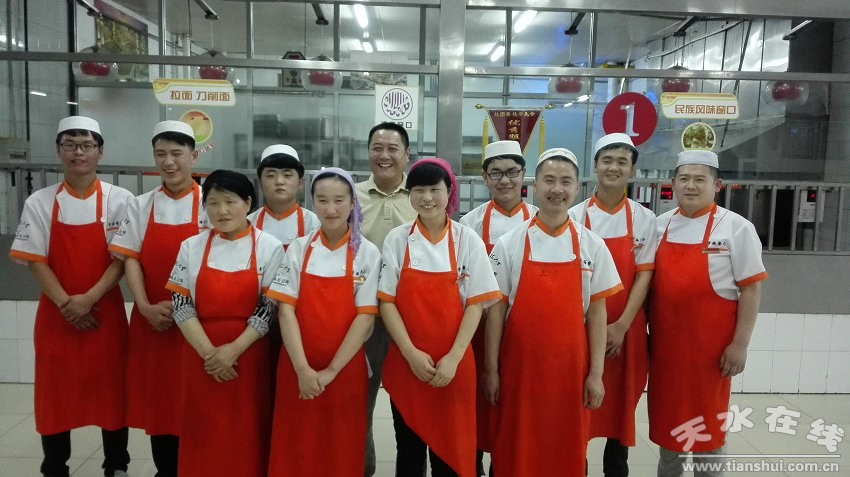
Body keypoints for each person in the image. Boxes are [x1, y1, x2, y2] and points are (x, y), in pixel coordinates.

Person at [9, 116, 133, 477]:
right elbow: (35, 260)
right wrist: (67, 304)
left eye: (87, 145)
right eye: (70, 145)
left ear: (100, 152)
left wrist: (88, 299)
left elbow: (122, 259)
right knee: (55, 395)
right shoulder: (40, 201)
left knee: (112, 391)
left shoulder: (120, 200)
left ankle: (117, 465)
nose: (79, 152)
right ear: (59, 150)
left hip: (105, 314)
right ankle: (54, 466)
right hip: (56, 316)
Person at [485, 148, 622, 476]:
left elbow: (597, 315)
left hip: (571, 372)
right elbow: (495, 314)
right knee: (516, 445)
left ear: (577, 188)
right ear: (534, 185)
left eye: (565, 181)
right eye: (549, 180)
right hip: (519, 371)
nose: (556, 189)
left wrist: (596, 374)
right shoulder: (510, 243)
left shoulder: (592, 245)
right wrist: (491, 370)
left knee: (566, 446)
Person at [378, 158, 501, 477]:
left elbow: (476, 304)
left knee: (451, 456)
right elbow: (387, 302)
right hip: (407, 365)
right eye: (418, 190)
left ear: (450, 192)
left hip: (454, 366)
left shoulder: (467, 240)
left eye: (435, 189)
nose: (427, 198)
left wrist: (453, 358)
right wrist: (410, 353)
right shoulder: (397, 240)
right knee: (409, 454)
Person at [649, 150, 767, 477]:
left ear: (717, 185)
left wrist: (740, 345)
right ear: (673, 183)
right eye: (684, 178)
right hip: (667, 354)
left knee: (709, 436)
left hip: (712, 356)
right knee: (670, 435)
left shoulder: (737, 228)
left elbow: (751, 289)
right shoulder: (658, 227)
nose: (691, 186)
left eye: (700, 179)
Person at [166, 170, 283, 477]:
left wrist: (232, 351)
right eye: (213, 203)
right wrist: (211, 355)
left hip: (249, 356)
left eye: (230, 202)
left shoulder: (270, 246)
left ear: (248, 203)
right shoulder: (190, 247)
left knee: (247, 431)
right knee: (202, 430)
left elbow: (268, 309)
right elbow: (181, 304)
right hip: (199, 355)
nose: (222, 211)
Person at [266, 167, 381, 476]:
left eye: (339, 200)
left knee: (340, 445)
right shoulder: (299, 249)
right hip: (296, 366)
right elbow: (286, 311)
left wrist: (331, 371)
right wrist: (303, 370)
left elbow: (365, 318)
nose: (331, 209)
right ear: (312, 201)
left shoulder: (367, 253)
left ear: (353, 203)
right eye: (322, 200)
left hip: (345, 370)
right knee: (296, 444)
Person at [108, 120, 206, 477]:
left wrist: (191, 313)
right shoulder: (140, 205)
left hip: (199, 323)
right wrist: (145, 306)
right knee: (161, 403)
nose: (168, 162)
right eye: (160, 154)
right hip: (155, 321)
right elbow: (131, 258)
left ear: (193, 156)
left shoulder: (211, 202)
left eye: (177, 153)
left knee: (198, 400)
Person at [568, 133, 656, 477]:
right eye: (607, 160)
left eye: (622, 162)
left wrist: (621, 326)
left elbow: (644, 275)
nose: (613, 168)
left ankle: (616, 469)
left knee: (621, 409)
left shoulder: (645, 218)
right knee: (579, 408)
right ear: (595, 166)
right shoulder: (574, 216)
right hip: (582, 328)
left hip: (627, 330)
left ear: (632, 170)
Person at [459, 139, 537, 476]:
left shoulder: (540, 220)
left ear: (523, 175)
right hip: (478, 331)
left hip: (524, 334)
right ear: (485, 178)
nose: (504, 180)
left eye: (511, 172)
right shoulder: (470, 224)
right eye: (496, 173)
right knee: (478, 408)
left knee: (516, 412)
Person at [355, 122, 418, 477]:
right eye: (377, 148)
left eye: (393, 148)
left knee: (410, 408)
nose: (384, 155)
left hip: (411, 319)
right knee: (359, 405)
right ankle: (362, 469)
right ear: (368, 152)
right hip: (362, 318)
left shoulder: (421, 194)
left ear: (406, 154)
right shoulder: (351, 197)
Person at [248, 144, 319, 250]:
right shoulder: (248, 224)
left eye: (287, 175)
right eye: (271, 175)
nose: (279, 181)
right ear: (260, 183)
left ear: (300, 183)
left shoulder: (314, 224)